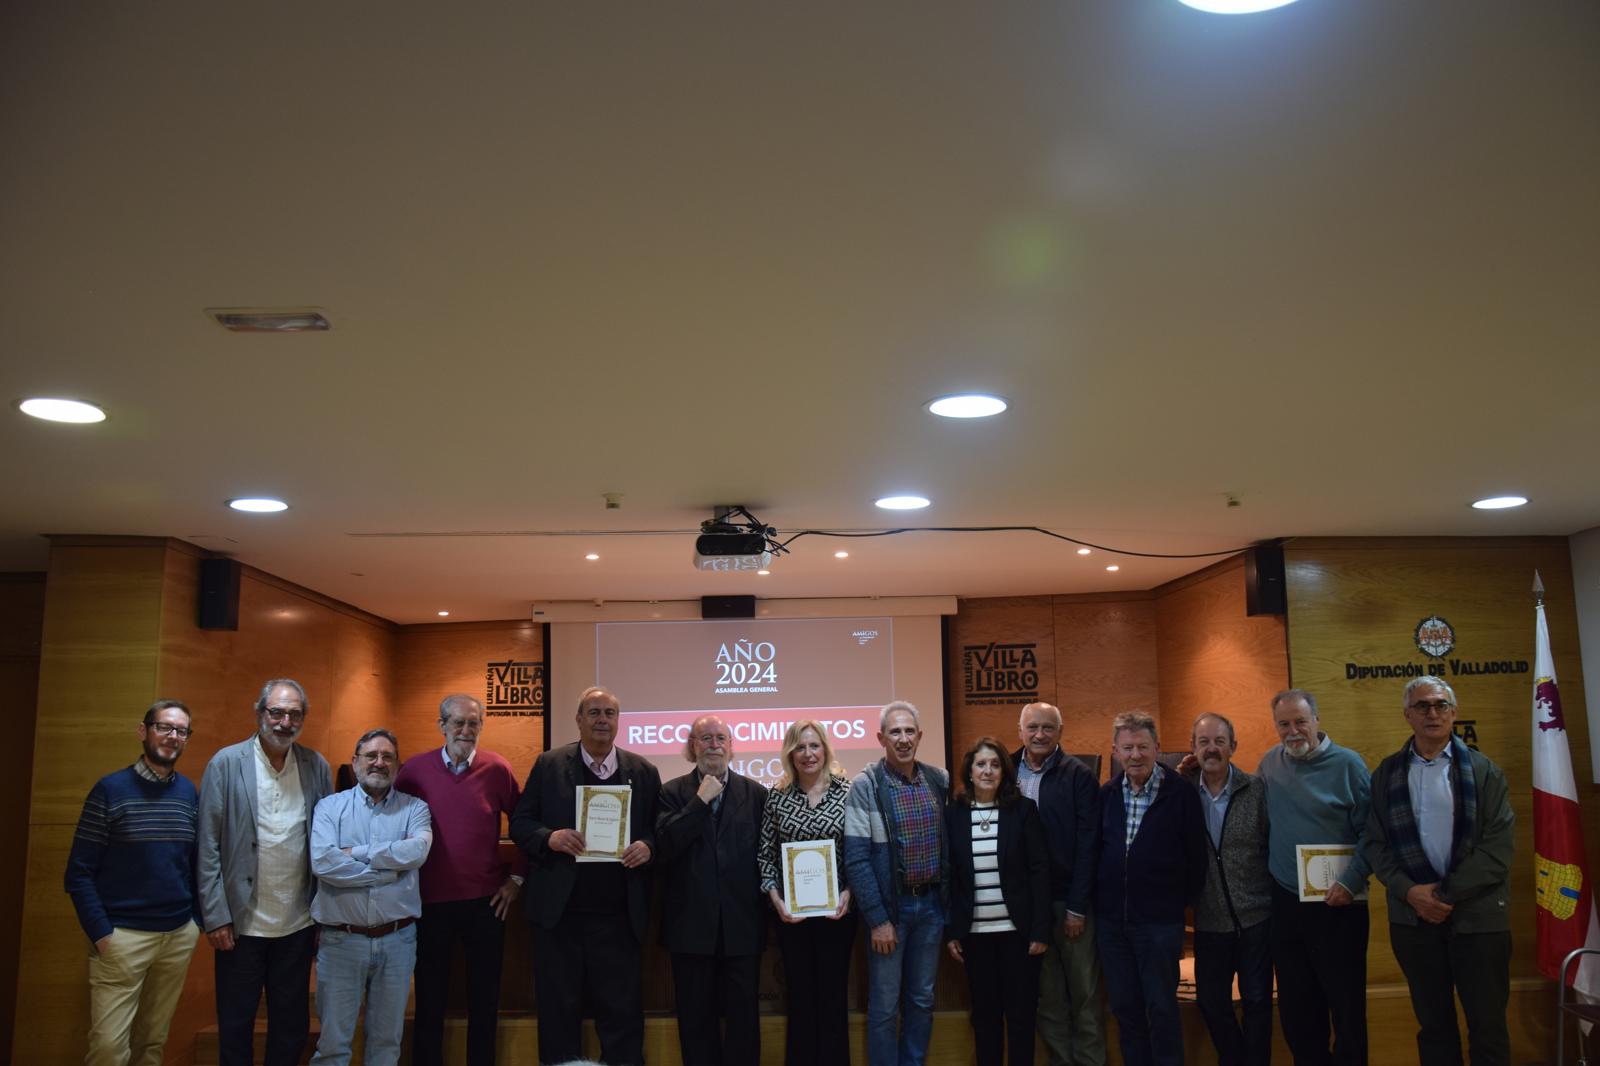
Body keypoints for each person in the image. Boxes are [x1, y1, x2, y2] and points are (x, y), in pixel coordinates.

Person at [509, 686, 660, 1066]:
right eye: (594, 712)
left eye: (609, 713)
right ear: (578, 719)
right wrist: (551, 838)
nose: (602, 720)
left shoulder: (642, 771)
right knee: (558, 1015)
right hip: (559, 918)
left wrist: (648, 845)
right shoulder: (548, 764)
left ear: (618, 721)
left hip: (618, 918)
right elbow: (521, 823)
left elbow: (660, 830)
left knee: (622, 1017)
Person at [1366, 676, 1514, 1066]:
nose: (1433, 713)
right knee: (1433, 1026)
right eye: (1422, 706)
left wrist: (1442, 896)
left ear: (1454, 713)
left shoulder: (1485, 772)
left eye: (1440, 705)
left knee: (1488, 1026)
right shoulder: (1385, 775)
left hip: (1478, 919)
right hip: (1413, 921)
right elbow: (1376, 844)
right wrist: (1410, 892)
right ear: (1407, 716)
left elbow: (1497, 850)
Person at [197, 679, 333, 1066]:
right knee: (236, 1026)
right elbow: (207, 845)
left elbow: (324, 843)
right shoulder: (226, 763)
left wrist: (324, 912)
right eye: (276, 712)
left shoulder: (315, 765)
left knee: (290, 1027)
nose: (284, 722)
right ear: (260, 714)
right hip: (240, 926)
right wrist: (216, 915)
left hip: (297, 923)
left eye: (294, 714)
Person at [65, 698, 201, 1066]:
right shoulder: (109, 790)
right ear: (143, 731)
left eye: (181, 731)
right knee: (109, 1049)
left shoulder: (189, 794)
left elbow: (195, 865)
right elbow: (78, 872)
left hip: (176, 936)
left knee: (152, 1044)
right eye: (164, 727)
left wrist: (195, 924)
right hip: (122, 939)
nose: (173, 736)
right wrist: (102, 933)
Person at [394, 694, 526, 1066]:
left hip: (486, 904)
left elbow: (527, 826)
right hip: (429, 904)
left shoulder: (497, 769)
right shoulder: (413, 772)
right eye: (458, 723)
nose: (466, 730)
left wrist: (516, 878)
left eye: (473, 723)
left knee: (484, 999)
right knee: (431, 1000)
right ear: (442, 726)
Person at [1257, 689, 1371, 1066]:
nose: (1293, 731)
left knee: (1346, 1008)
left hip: (1340, 904)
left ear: (1317, 721)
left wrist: (1350, 883)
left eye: (1300, 722)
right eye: (1284, 724)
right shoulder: (1269, 764)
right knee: (1297, 1009)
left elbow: (1373, 835)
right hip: (1287, 903)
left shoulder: (1349, 765)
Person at [307, 728, 433, 1066]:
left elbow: (417, 851)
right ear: (355, 762)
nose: (379, 762)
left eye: (387, 757)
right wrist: (388, 871)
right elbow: (323, 862)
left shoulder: (415, 809)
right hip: (341, 942)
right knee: (333, 1046)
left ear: (398, 765)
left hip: (398, 941)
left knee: (386, 1045)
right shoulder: (329, 808)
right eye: (371, 756)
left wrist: (356, 853)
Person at [1094, 712, 1206, 1066]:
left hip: (1159, 924)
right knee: (1126, 1008)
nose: (1135, 755)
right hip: (1113, 925)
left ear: (1157, 748)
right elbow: (1097, 852)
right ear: (1115, 751)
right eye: (1127, 748)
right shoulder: (1106, 795)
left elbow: (1196, 859)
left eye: (1143, 746)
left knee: (1161, 1008)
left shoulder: (1182, 793)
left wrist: (1173, 904)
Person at [655, 714, 768, 1066]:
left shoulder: (756, 794)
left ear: (732, 747)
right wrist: (699, 802)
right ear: (692, 747)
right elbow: (666, 846)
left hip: (742, 928)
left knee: (744, 1023)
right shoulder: (671, 792)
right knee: (695, 1021)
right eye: (705, 738)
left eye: (720, 738)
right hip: (690, 929)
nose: (713, 744)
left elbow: (767, 859)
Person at [843, 699, 950, 1066]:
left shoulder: (939, 780)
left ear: (919, 736)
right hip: (892, 912)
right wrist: (879, 920)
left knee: (922, 999)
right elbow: (856, 859)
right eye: (895, 732)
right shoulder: (866, 785)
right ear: (880, 738)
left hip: (932, 908)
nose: (903, 739)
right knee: (885, 1005)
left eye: (909, 731)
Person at [944, 738, 1051, 1066]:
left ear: (1004, 772)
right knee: (985, 1017)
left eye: (994, 765)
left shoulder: (1023, 810)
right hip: (974, 936)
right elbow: (949, 876)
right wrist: (952, 931)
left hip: (1017, 934)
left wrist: (1040, 930)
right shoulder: (954, 814)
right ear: (969, 771)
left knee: (1020, 1017)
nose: (988, 771)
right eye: (981, 764)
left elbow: (1040, 872)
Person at [757, 719, 856, 1066]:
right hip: (792, 917)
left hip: (837, 914)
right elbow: (765, 855)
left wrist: (849, 893)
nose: (808, 753)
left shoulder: (847, 792)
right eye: (800, 747)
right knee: (799, 998)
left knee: (832, 998)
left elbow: (859, 852)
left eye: (814, 745)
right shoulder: (777, 796)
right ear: (790, 753)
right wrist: (777, 901)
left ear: (826, 749)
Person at [1013, 701, 1106, 1066]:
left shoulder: (1079, 776)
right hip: (1027, 907)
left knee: (1084, 994)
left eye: (1047, 728)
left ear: (1060, 732)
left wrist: (1077, 906)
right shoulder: (1004, 770)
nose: (1039, 735)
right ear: (1020, 730)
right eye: (1032, 727)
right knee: (1047, 996)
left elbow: (1089, 845)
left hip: (1069, 904)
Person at [1185, 713, 1273, 1066]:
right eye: (1204, 741)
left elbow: (1271, 846)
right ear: (1193, 748)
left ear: (1233, 747)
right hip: (1209, 922)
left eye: (1220, 741)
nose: (1212, 749)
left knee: (1258, 1003)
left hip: (1256, 919)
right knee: (1212, 1004)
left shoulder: (1256, 790)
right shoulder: (1183, 794)